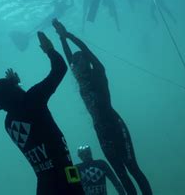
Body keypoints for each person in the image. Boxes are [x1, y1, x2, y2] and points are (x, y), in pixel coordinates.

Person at [53, 19, 152, 195]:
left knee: (133, 169)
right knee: (122, 174)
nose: (75, 65)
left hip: (115, 125)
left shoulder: (97, 73)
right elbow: (70, 59)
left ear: (86, 62)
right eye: (74, 64)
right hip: (102, 132)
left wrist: (68, 35)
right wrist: (61, 39)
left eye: (79, 62)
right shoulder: (80, 79)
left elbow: (87, 51)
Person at [0, 31, 85, 195]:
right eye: (12, 86)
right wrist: (49, 49)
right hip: (68, 176)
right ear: (12, 91)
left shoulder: (9, 123)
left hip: (45, 185)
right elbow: (60, 68)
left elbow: (26, 112)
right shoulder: (32, 100)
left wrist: (14, 86)